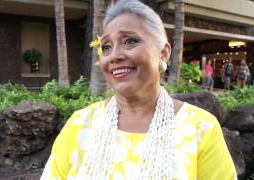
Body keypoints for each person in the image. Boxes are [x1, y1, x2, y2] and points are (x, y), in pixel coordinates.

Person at [40, 0, 237, 179]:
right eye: (106, 47)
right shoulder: (80, 125)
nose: (114, 55)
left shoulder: (201, 128)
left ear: (163, 53)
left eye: (129, 41)